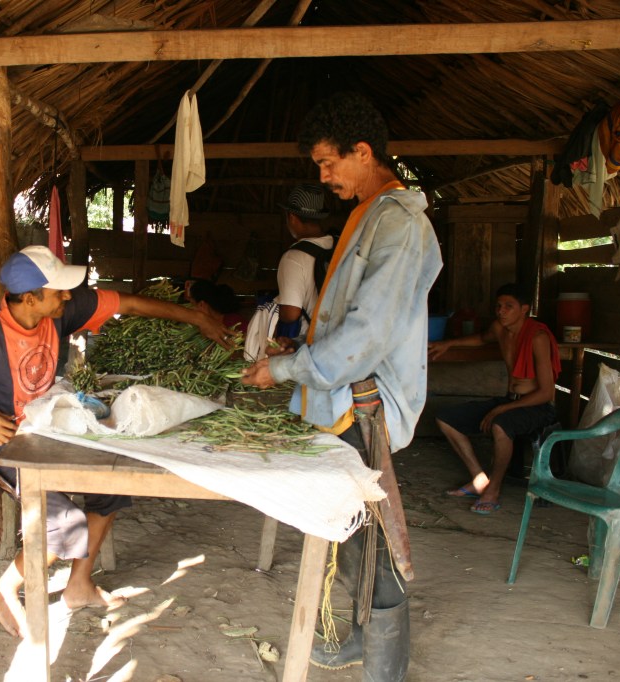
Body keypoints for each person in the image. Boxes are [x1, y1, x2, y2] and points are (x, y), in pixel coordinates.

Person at [0, 245, 233, 639]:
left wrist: (197, 317)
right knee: (67, 524)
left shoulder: (57, 312)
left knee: (111, 488)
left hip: (45, 431)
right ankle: (3, 588)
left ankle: (78, 586)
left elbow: (129, 303)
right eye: (58, 290)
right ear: (30, 298)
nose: (68, 295)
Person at [240, 92, 442, 680]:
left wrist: (282, 369)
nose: (323, 176)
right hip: (342, 399)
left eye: (330, 163)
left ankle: (386, 667)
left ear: (364, 151)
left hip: (365, 404)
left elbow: (366, 335)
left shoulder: (399, 224)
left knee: (376, 540)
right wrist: (300, 356)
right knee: (353, 530)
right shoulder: (368, 213)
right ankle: (360, 638)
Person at [428, 283, 561, 515]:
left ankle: (493, 489)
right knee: (446, 419)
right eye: (499, 306)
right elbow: (480, 339)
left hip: (537, 406)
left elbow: (546, 393)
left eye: (509, 306)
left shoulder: (537, 337)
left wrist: (502, 409)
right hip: (510, 400)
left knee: (501, 425)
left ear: (525, 309)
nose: (501, 311)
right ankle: (480, 479)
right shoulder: (500, 329)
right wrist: (448, 343)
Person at [275, 184, 334, 338]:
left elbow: (290, 314)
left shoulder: (293, 257)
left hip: (310, 345)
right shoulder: (340, 246)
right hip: (340, 340)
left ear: (292, 217)